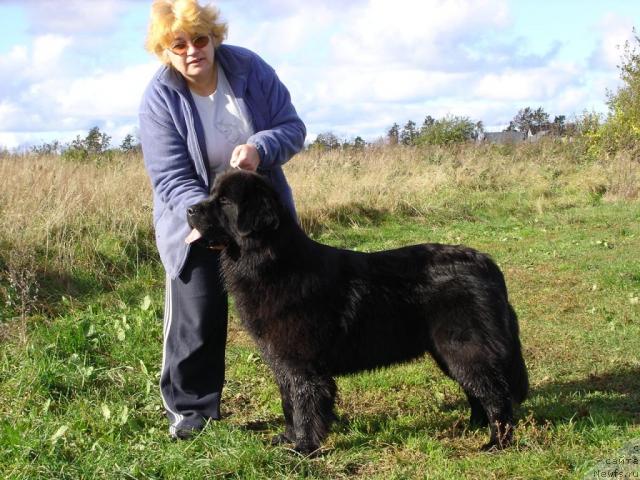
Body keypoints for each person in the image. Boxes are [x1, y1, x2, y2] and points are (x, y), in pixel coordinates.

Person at [139, 0, 306, 439]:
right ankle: (192, 416)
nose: (193, 50)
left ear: (214, 38)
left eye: (200, 39)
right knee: (198, 316)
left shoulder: (249, 69)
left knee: (290, 313)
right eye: (180, 44)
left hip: (261, 223)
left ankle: (304, 408)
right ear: (165, 51)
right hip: (195, 221)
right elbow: (170, 177)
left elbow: (292, 127)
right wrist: (214, 222)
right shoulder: (159, 99)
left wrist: (261, 147)